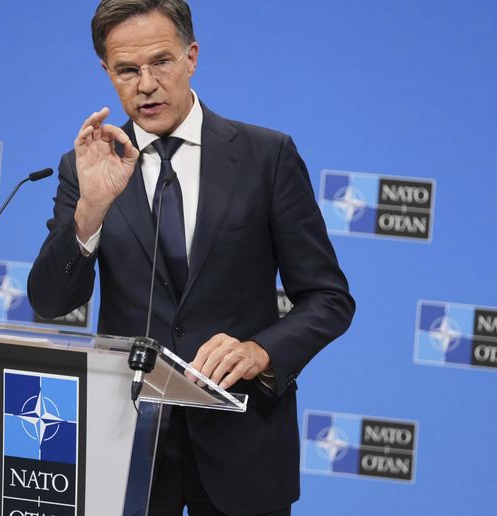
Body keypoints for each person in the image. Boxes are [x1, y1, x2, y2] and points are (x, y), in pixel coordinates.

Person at [28, 1, 355, 514]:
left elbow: (328, 298)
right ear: (107, 71)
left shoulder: (266, 156)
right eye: (127, 70)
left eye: (161, 62)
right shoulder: (86, 167)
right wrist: (90, 210)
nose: (146, 85)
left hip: (243, 441)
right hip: (128, 444)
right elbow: (50, 301)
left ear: (192, 57)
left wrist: (261, 352)